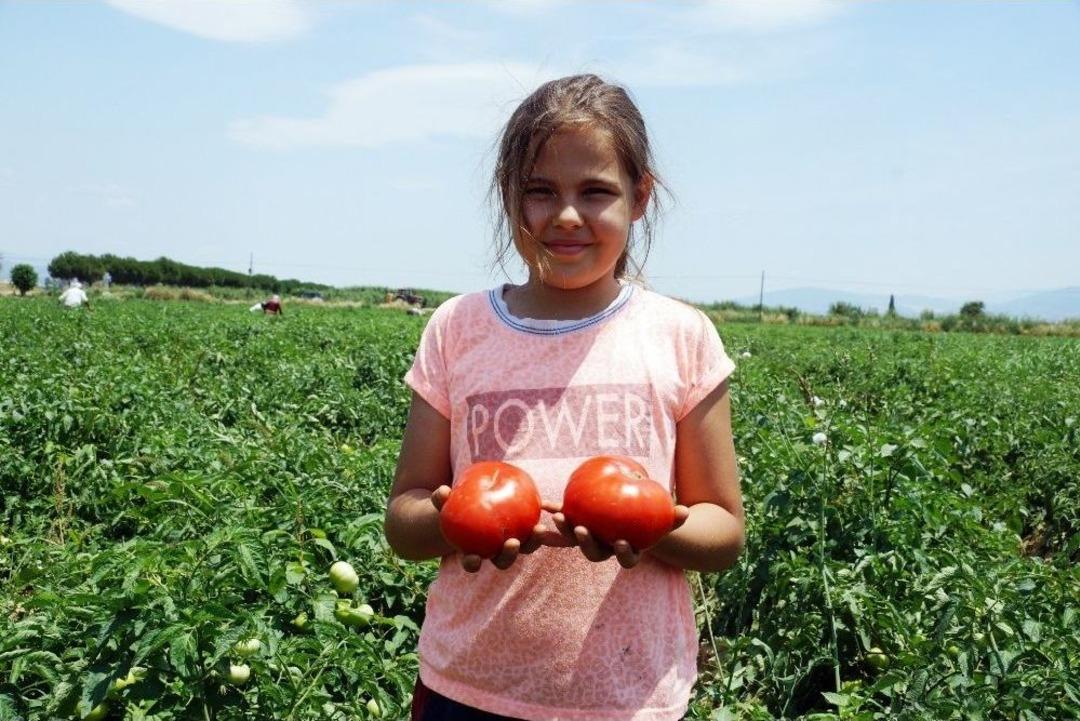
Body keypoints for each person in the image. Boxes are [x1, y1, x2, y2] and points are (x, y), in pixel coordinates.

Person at [384, 74, 744, 721]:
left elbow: (723, 529)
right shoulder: (457, 329)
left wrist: (651, 523)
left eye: (596, 192)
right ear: (510, 200)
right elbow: (403, 518)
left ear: (639, 199)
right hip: (466, 690)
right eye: (540, 192)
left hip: (626, 699)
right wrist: (452, 519)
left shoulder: (681, 336)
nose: (567, 215)